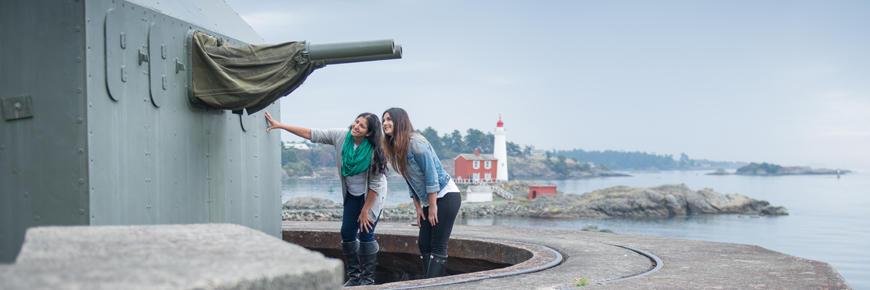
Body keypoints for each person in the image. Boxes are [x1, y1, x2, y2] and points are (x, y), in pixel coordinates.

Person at [265, 111, 387, 286]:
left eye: (362, 126)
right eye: (356, 122)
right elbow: (312, 134)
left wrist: (365, 210)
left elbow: (375, 186)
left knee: (366, 233)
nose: (356, 126)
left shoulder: (374, 151)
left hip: (371, 197)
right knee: (346, 233)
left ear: (368, 133)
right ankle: (354, 278)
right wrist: (281, 125)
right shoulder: (341, 137)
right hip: (352, 193)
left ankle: (367, 281)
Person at [381, 107, 461, 278]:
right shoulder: (397, 147)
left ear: (399, 121)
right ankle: (427, 283)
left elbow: (431, 175)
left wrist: (432, 206)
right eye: (383, 120)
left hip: (445, 196)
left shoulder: (416, 142)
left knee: (438, 245)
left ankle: (431, 286)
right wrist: (419, 207)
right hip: (429, 200)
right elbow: (410, 180)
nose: (385, 123)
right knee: (424, 244)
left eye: (389, 119)